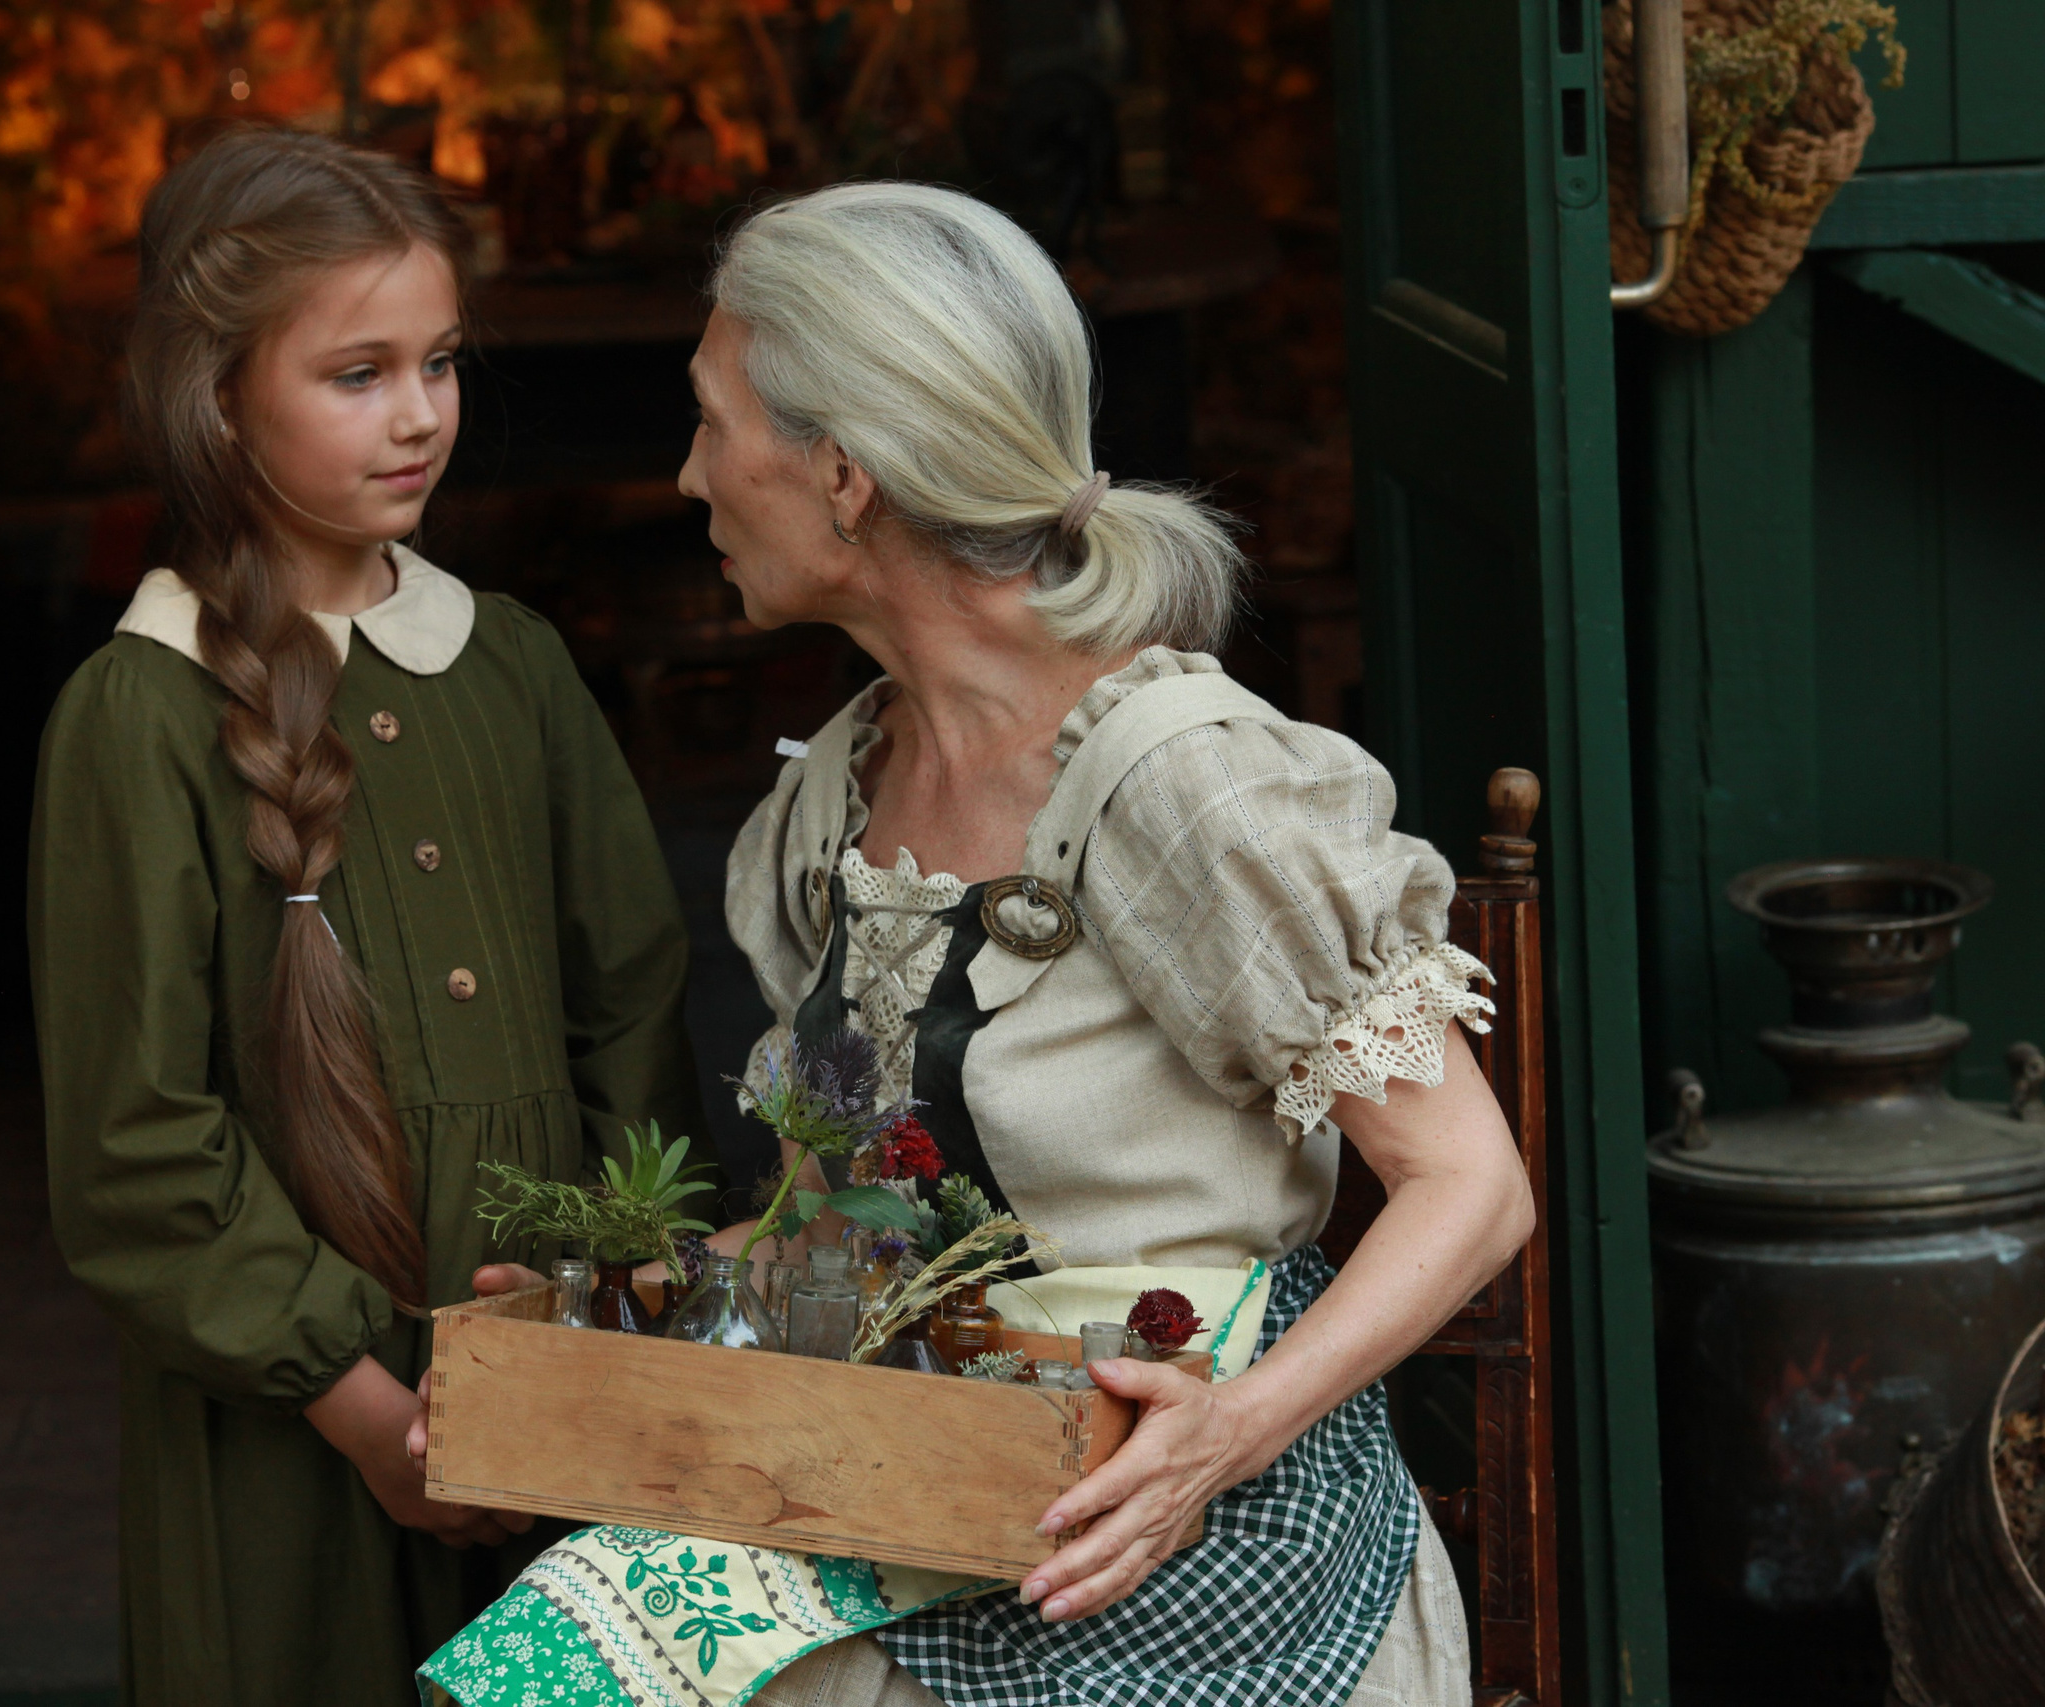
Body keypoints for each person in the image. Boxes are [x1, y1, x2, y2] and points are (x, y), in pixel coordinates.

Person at [426, 181, 1531, 1707]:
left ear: (843, 473)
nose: (688, 476)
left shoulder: (1184, 786)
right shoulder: (837, 800)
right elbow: (853, 1235)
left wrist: (1229, 1429)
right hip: (924, 1493)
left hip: (1209, 1553)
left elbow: (1469, 1189)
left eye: (709, 422)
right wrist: (616, 1315)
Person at [27, 127, 705, 1707]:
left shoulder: (514, 665)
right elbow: (134, 1148)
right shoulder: (138, 717)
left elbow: (632, 1013)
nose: (420, 417)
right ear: (215, 395)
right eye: (358, 373)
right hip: (290, 1446)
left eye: (443, 363)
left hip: (565, 1408)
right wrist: (369, 1415)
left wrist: (618, 1314)